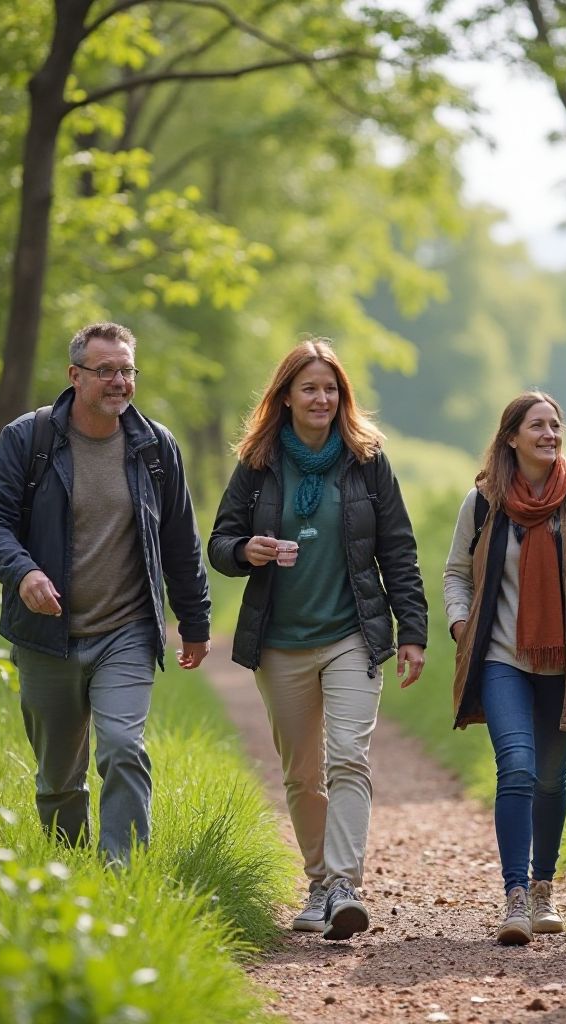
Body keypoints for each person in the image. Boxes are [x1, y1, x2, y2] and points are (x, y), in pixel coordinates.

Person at [208, 338, 427, 942]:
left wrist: (413, 632)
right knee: (304, 773)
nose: (321, 398)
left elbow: (398, 550)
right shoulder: (257, 465)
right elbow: (219, 543)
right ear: (286, 396)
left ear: (343, 397)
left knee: (348, 756)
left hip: (351, 634)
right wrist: (245, 550)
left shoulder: (367, 459)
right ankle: (316, 884)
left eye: (331, 388)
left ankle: (344, 885)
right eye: (309, 387)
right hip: (279, 642)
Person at [0, 321, 211, 865]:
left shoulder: (155, 447)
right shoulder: (27, 439)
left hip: (125, 631)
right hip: (46, 634)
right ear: (74, 376)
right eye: (106, 371)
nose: (119, 382)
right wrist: (24, 572)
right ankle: (68, 874)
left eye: (127, 370)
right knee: (59, 778)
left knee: (124, 748)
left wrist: (194, 623)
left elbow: (180, 540)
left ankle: (121, 873)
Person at [444, 390, 566, 945]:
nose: (550, 434)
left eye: (555, 425)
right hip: (502, 657)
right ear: (511, 438)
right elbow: (456, 573)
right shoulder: (484, 501)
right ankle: (516, 896)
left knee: (550, 777)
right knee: (518, 766)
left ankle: (545, 890)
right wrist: (460, 624)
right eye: (538, 426)